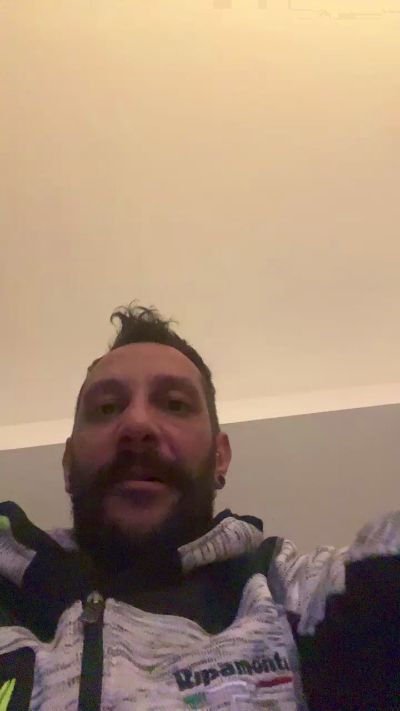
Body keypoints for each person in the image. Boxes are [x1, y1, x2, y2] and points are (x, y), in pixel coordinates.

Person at [0, 303, 398, 711]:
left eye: (174, 404)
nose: (137, 424)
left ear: (220, 457)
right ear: (68, 463)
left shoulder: (288, 595)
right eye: (106, 408)